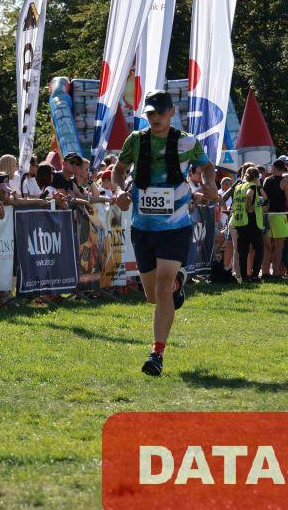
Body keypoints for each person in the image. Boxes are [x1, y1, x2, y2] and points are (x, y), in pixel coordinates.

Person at [112, 90, 216, 377]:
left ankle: (157, 354)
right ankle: (178, 283)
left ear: (171, 112)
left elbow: (207, 166)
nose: (155, 118)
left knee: (162, 286)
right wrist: (119, 191)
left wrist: (209, 184)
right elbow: (118, 171)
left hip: (176, 226)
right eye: (150, 113)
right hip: (143, 227)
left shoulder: (187, 141)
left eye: (160, 113)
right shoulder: (136, 140)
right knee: (152, 296)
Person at [260, 160, 288, 278]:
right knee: (279, 246)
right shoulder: (285, 181)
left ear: (274, 168)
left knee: (268, 247)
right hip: (279, 215)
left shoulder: (266, 180)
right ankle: (275, 272)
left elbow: (264, 197)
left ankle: (265, 272)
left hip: (267, 214)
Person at [230, 167, 264, 282]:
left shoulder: (239, 186)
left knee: (243, 251)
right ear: (256, 177)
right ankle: (254, 275)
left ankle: (244, 277)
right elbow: (249, 195)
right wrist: (249, 207)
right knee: (259, 249)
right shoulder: (252, 185)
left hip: (240, 222)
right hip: (251, 222)